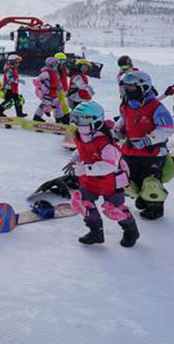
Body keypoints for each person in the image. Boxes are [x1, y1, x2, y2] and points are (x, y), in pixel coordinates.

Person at [69, 101, 139, 247]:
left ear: (96, 120)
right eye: (76, 118)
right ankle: (96, 232)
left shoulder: (106, 143)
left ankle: (131, 230)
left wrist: (87, 169)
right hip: (90, 180)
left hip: (111, 181)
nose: (78, 123)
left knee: (115, 209)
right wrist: (74, 159)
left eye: (83, 119)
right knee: (83, 203)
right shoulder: (82, 135)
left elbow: (110, 165)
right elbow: (82, 149)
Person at [114, 71, 174, 220]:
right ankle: (143, 197)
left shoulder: (155, 107)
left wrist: (147, 140)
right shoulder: (126, 105)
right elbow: (124, 119)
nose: (127, 90)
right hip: (130, 150)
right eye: (126, 87)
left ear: (144, 87)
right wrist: (118, 129)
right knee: (130, 179)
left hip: (152, 153)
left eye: (131, 87)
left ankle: (155, 206)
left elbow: (167, 129)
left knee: (151, 182)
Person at [33, 57, 65, 123]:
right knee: (45, 104)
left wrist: (59, 86)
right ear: (50, 64)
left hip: (53, 93)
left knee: (57, 104)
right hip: (47, 93)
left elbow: (57, 81)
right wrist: (42, 87)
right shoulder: (46, 73)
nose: (56, 66)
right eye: (55, 64)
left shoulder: (55, 73)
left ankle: (58, 118)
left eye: (56, 64)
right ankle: (37, 117)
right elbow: (37, 81)